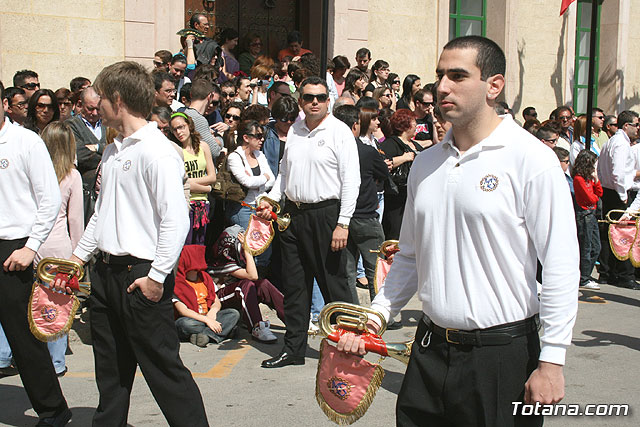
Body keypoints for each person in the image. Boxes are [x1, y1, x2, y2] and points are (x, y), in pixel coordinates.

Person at [337, 35, 579, 427]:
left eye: (457, 75)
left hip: (501, 358)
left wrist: (551, 360)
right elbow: (410, 255)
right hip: (429, 351)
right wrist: (376, 316)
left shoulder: (532, 160)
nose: (442, 87)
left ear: (494, 86)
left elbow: (561, 266)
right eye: (439, 75)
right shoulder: (426, 163)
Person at [62, 61, 208, 426]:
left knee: (164, 371)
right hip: (106, 275)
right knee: (110, 374)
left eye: (99, 96)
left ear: (117, 99)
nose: (94, 105)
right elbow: (102, 216)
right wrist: (75, 261)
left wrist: (157, 277)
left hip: (141, 275)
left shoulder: (156, 151)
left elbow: (176, 220)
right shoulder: (114, 152)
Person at [258, 76, 360, 368]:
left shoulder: (340, 132)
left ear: (328, 100)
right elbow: (284, 176)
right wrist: (271, 200)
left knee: (335, 287)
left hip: (327, 216)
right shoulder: (295, 131)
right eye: (308, 97)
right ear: (300, 101)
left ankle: (348, 352)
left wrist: (343, 223)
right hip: (293, 216)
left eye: (320, 97)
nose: (314, 101)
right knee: (295, 287)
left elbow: (351, 181)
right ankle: (294, 349)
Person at [0, 82, 72, 425]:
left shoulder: (26, 141)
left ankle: (53, 410)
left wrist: (30, 248)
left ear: (4, 104)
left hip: (14, 249)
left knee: (23, 337)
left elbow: (50, 200)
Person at [335, 104, 388, 303]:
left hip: (341, 219)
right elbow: (383, 172)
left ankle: (353, 313)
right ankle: (380, 314)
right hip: (364, 216)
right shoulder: (366, 151)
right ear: (355, 125)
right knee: (376, 268)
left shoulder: (334, 150)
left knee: (347, 271)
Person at [208, 226, 285, 343]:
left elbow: (256, 278)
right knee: (245, 286)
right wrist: (247, 251)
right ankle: (257, 327)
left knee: (263, 284)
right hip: (218, 299)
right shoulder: (222, 260)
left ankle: (293, 320)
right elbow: (252, 275)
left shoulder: (238, 258)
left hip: (234, 295)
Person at [597, 110, 640, 290]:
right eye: (636, 125)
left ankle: (608, 273)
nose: (638, 129)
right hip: (618, 193)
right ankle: (623, 275)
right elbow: (618, 174)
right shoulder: (621, 144)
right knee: (623, 234)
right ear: (626, 125)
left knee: (610, 232)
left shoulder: (613, 142)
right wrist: (623, 197)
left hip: (611, 192)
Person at [173, 245, 240, 347]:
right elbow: (183, 311)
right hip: (193, 319)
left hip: (208, 316)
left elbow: (216, 301)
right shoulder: (178, 283)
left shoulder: (205, 278)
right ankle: (222, 332)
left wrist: (213, 312)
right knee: (184, 324)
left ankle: (206, 335)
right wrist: (207, 321)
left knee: (233, 314)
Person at [169, 112, 216, 245]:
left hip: (203, 204)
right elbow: (178, 182)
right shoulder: (175, 150)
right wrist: (206, 188)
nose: (179, 132)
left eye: (181, 127)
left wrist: (189, 182)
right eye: (175, 129)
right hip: (186, 203)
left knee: (199, 244)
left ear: (189, 125)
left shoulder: (203, 146)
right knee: (186, 244)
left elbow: (212, 176)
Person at [380, 109, 422, 240]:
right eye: (414, 122)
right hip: (397, 199)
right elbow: (383, 164)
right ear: (405, 124)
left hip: (414, 195)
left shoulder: (415, 145)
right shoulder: (390, 144)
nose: (416, 126)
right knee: (396, 234)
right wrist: (404, 158)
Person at [225, 120, 275, 228]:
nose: (262, 139)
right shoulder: (234, 157)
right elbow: (247, 182)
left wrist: (256, 184)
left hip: (262, 207)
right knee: (248, 243)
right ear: (246, 138)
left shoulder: (259, 155)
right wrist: (264, 177)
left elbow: (272, 180)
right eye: (258, 136)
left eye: (263, 136)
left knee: (264, 243)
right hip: (243, 209)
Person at [572, 150, 602, 290]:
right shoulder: (578, 179)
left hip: (591, 213)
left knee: (596, 247)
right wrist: (595, 196)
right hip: (584, 214)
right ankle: (583, 277)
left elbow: (599, 193)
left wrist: (596, 180)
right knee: (586, 247)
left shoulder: (588, 178)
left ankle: (585, 275)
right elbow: (590, 198)